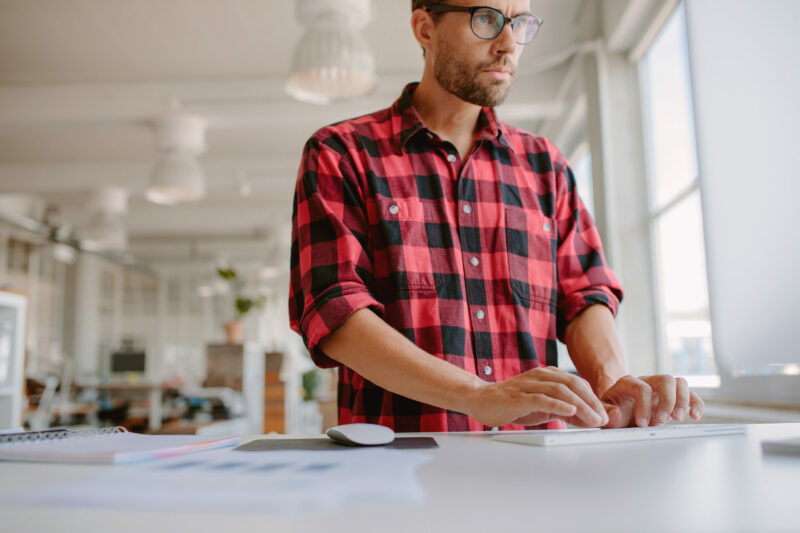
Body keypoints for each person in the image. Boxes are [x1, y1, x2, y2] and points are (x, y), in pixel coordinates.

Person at [289, 0, 705, 432]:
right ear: (425, 28)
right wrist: (476, 395)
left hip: (536, 471)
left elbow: (585, 293)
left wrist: (611, 380)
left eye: (520, 23)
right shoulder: (341, 155)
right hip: (398, 471)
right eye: (486, 19)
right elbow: (336, 312)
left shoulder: (547, 167)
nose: (509, 43)